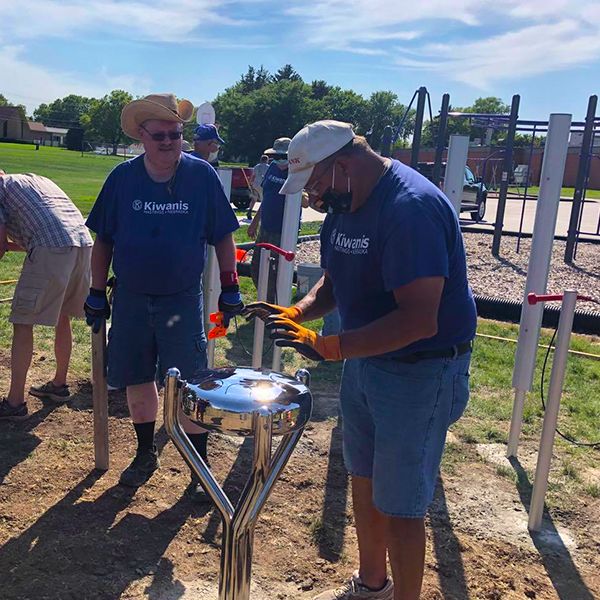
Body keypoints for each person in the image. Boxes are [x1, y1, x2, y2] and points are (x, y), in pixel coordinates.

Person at [244, 120, 477, 600]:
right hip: (368, 361)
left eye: (315, 186)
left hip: (420, 370)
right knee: (365, 478)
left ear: (344, 166)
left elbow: (419, 320)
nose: (312, 200)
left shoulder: (409, 209)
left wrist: (330, 347)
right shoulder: (348, 201)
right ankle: (372, 585)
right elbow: (335, 281)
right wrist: (298, 311)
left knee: (402, 505)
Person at [84, 93, 243, 495]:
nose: (170, 141)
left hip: (181, 298)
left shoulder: (201, 176)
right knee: (138, 379)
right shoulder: (122, 178)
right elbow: (103, 239)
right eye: (161, 135)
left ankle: (197, 466)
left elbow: (223, 235)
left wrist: (230, 286)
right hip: (133, 298)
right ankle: (144, 452)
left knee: (191, 384)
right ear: (142, 135)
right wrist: (96, 292)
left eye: (177, 134)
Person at [0, 171, 92, 420]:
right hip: (83, 244)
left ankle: (15, 401)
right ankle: (59, 384)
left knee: (23, 321)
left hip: (53, 247)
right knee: (63, 315)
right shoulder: (34, 180)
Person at [246, 154, 270, 220]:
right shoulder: (268, 167)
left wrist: (250, 183)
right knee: (263, 200)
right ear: (266, 160)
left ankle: (249, 211)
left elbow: (253, 176)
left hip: (255, 184)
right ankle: (262, 214)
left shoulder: (256, 166)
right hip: (263, 185)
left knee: (254, 198)